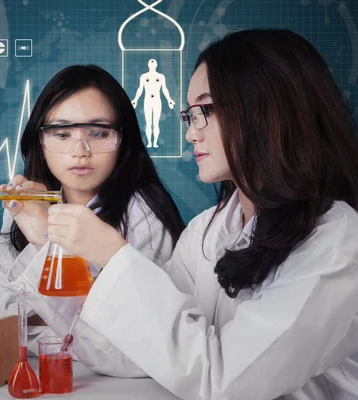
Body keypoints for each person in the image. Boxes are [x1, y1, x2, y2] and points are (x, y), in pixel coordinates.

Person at [45, 29, 358, 399]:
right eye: (190, 115)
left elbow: (228, 383)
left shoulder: (337, 243)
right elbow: (136, 356)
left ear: (267, 110)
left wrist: (113, 257)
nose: (192, 134)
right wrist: (41, 235)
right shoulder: (205, 232)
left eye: (205, 111)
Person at [0, 64, 185, 366]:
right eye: (62, 133)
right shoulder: (25, 206)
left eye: (99, 132)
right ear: (40, 141)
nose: (80, 151)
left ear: (123, 141)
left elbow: (125, 343)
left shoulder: (146, 217)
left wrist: (44, 239)